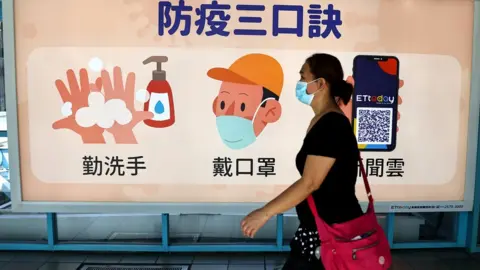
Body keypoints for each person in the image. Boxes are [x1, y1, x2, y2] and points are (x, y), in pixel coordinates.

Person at [241, 53, 364, 269]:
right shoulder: (323, 121)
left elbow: (310, 183)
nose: (299, 83)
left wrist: (264, 213)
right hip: (320, 231)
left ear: (321, 83)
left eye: (303, 76)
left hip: (332, 233)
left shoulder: (331, 125)